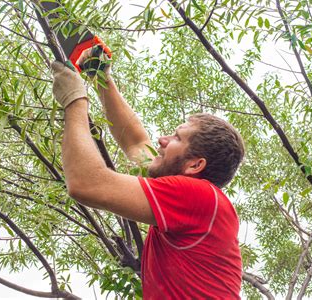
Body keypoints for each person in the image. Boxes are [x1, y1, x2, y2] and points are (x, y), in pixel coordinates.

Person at [50, 44, 245, 299]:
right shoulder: (194, 204)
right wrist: (100, 78)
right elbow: (135, 142)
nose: (162, 139)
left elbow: (86, 183)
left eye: (177, 138)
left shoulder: (199, 196)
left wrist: (75, 101)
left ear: (195, 165)